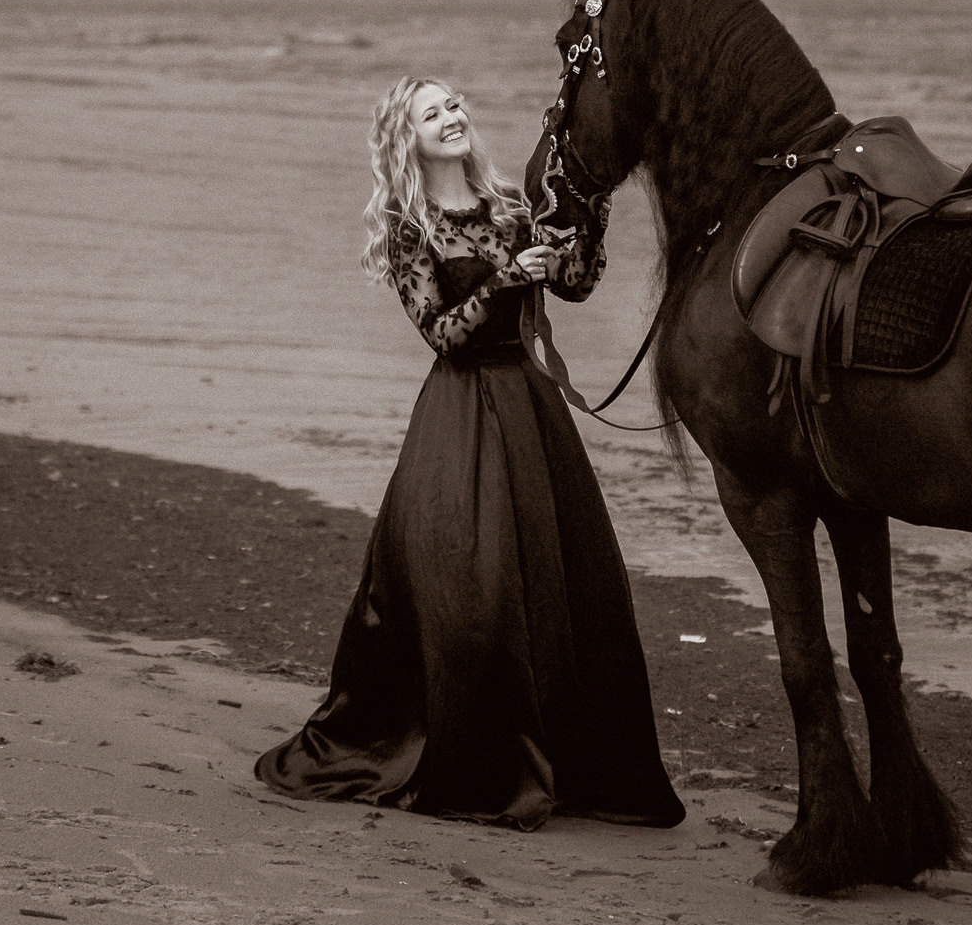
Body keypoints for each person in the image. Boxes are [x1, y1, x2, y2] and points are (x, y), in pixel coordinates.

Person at [254, 76, 685, 830]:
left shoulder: (513, 207)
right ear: (407, 138)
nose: (451, 117)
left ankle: (575, 765)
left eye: (455, 105)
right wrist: (505, 282)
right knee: (473, 593)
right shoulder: (407, 229)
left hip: (531, 411)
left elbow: (579, 285)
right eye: (432, 113)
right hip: (459, 414)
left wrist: (586, 229)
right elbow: (443, 333)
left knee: (565, 587)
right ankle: (479, 761)